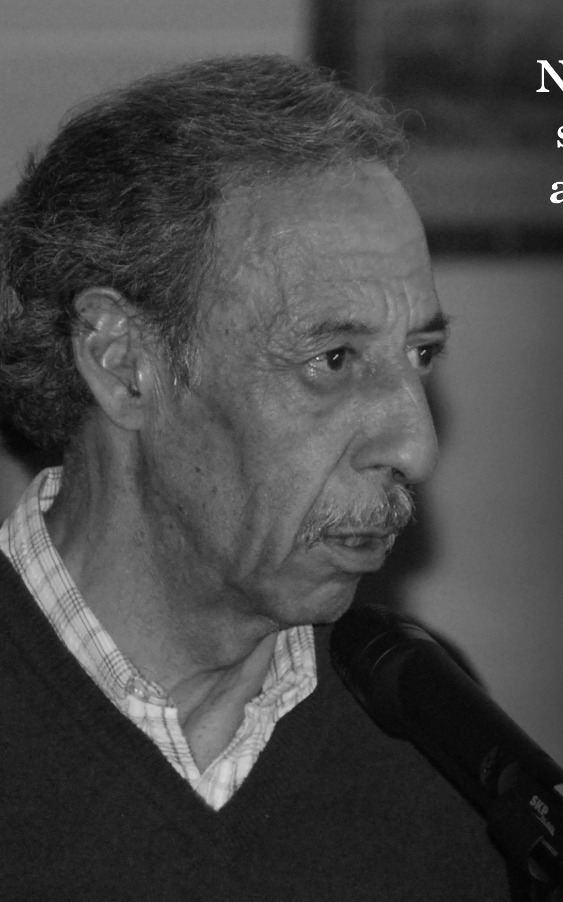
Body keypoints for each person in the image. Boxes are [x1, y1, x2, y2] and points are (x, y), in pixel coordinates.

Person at [0, 55, 521, 900]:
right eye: (334, 359)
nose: (417, 448)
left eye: (422, 354)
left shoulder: (428, 724)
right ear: (123, 361)